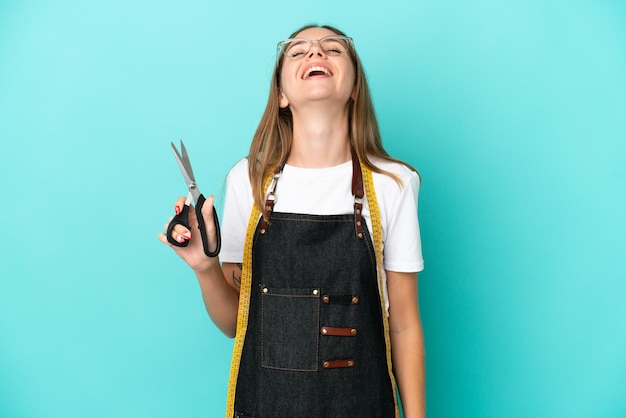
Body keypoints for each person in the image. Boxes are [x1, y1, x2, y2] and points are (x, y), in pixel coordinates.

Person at [159, 24, 425, 418]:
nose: (315, 54)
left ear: (355, 88)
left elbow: (403, 325)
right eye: (298, 52)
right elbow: (236, 323)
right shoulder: (247, 180)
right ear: (281, 94)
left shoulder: (394, 184)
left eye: (333, 48)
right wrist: (205, 268)